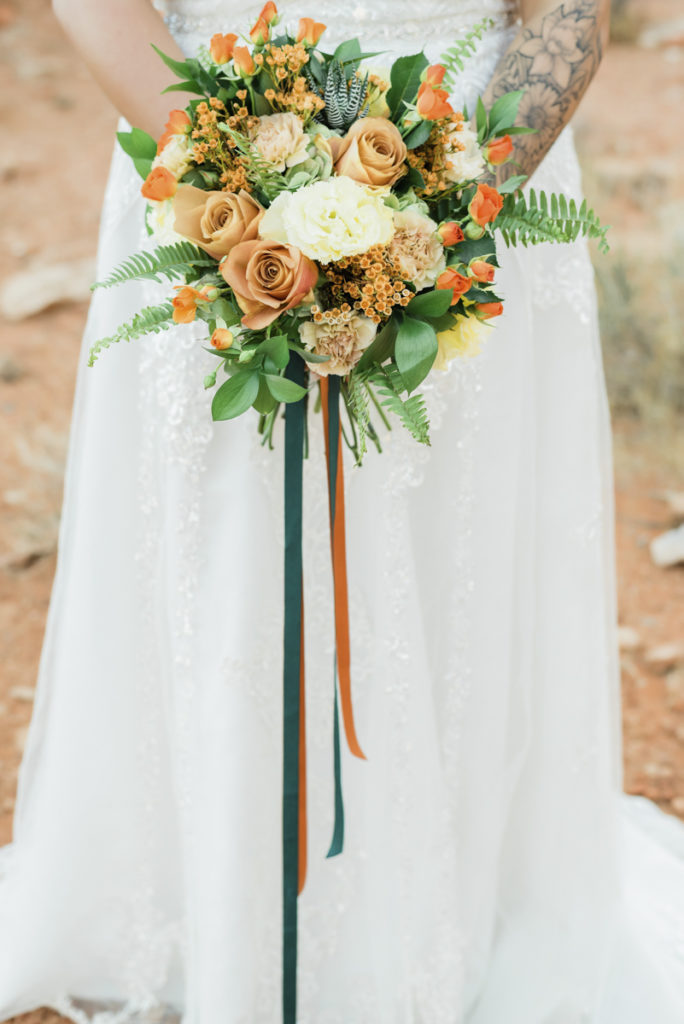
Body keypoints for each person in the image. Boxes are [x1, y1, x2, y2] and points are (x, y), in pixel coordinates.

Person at [1, 0, 684, 1021]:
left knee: (459, 553)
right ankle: (230, 923)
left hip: (477, 168)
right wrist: (241, 188)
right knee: (232, 552)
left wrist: (443, 225)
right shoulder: (221, 175)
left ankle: (445, 925)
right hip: (210, 170)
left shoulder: (463, 205)